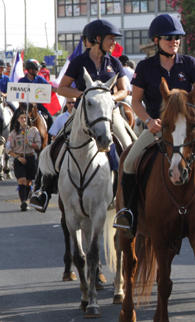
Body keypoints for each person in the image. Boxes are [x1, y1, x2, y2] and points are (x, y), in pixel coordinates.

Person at [113, 14, 195, 238]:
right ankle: (129, 214)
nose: (174, 42)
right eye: (169, 38)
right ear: (156, 41)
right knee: (130, 163)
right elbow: (135, 101)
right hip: (157, 129)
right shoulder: (145, 67)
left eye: (177, 38)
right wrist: (149, 121)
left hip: (187, 130)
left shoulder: (189, 63)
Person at [29, 19, 133, 213]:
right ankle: (42, 190)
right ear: (98, 39)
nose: (114, 43)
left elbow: (124, 90)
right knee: (56, 145)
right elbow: (62, 88)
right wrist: (83, 95)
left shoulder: (114, 62)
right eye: (111, 38)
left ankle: (128, 200)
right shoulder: (79, 62)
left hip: (110, 113)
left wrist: (107, 97)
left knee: (128, 146)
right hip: (82, 113)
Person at [6, 111, 41, 211]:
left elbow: (38, 145)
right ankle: (23, 202)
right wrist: (17, 157)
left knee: (28, 182)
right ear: (18, 119)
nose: (24, 120)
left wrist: (30, 143)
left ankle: (26, 197)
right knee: (21, 180)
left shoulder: (34, 130)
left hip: (30, 158)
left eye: (25, 118)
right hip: (19, 159)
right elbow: (8, 148)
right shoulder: (13, 133)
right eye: (21, 118)